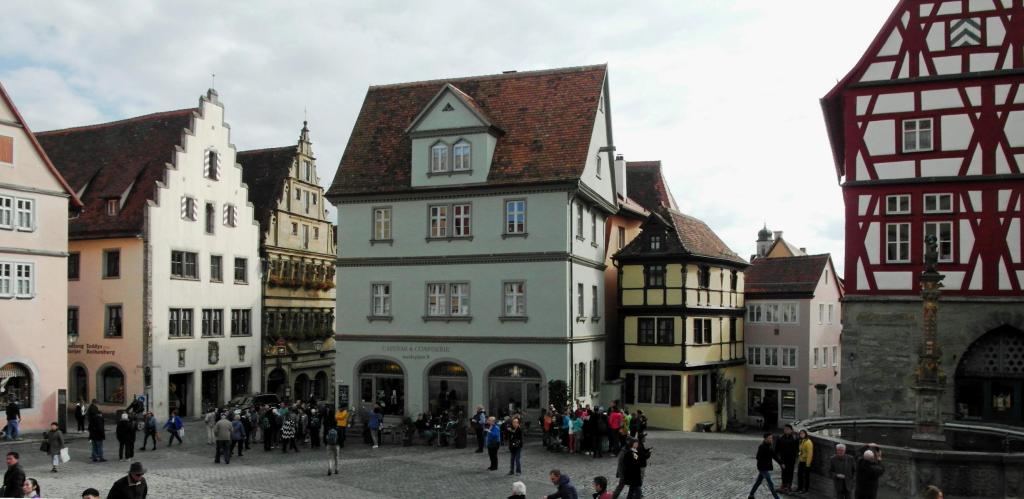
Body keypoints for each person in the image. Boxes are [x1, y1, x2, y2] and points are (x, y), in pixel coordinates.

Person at [747, 433, 782, 499]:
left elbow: (774, 456)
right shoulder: (762, 447)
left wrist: (781, 463)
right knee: (770, 483)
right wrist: (765, 460)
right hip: (763, 468)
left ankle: (751, 495)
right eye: (769, 438)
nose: (771, 439)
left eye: (771, 438)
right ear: (765, 439)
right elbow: (758, 457)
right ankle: (777, 498)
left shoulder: (769, 446)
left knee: (758, 481)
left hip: (765, 468)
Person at [776, 424, 800, 493]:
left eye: (788, 429)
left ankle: (789, 486)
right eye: (785, 429)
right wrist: (779, 461)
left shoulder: (795, 439)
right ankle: (783, 485)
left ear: (791, 430)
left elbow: (797, 450)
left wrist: (796, 458)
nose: (786, 430)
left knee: (790, 472)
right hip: (783, 459)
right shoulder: (780, 438)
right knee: (783, 472)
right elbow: (776, 450)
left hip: (791, 460)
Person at [796, 429, 813, 494]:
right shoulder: (801, 441)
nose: (801, 435)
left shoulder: (808, 442)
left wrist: (808, 464)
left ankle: (805, 489)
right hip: (801, 461)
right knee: (799, 475)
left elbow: (810, 454)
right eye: (800, 434)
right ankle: (799, 488)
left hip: (806, 462)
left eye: (803, 433)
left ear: (805, 434)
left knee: (806, 476)